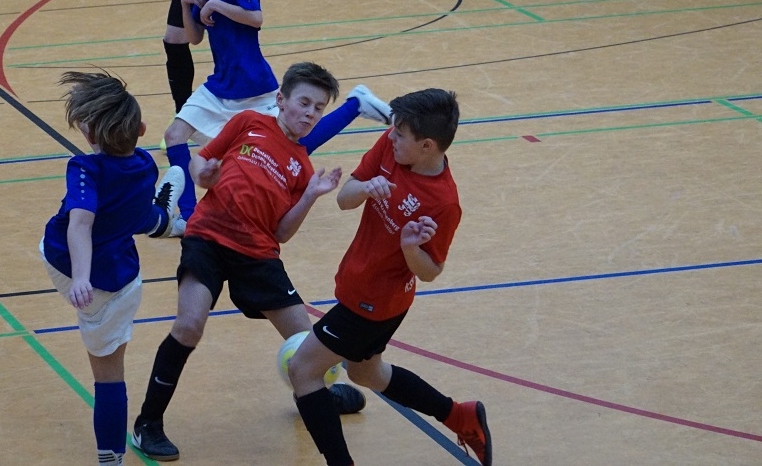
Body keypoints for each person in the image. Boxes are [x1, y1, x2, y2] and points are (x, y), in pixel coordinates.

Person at [132, 62, 368, 462]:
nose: (310, 113)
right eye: (304, 103)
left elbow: (282, 233)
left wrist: (310, 195)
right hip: (209, 238)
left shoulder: (302, 165)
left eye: (318, 108)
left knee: (310, 345)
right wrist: (203, 174)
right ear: (281, 100)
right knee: (189, 326)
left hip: (258, 256)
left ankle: (314, 393)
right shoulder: (248, 123)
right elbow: (201, 162)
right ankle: (148, 423)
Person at [286, 88, 492, 466]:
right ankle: (458, 415)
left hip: (373, 302)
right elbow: (344, 198)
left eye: (400, 134)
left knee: (303, 370)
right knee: (366, 373)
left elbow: (431, 271)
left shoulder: (444, 203)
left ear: (427, 146)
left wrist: (411, 248)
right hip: (362, 286)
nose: (391, 136)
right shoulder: (391, 146)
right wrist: (365, 189)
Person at [156, 0, 393, 236]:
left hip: (254, 85)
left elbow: (256, 18)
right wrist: (186, 4)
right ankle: (189, 215)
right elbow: (194, 38)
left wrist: (216, 4)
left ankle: (355, 104)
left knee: (297, 143)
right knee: (174, 135)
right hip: (220, 86)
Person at [38, 71, 184, 466]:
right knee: (136, 215)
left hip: (75, 270)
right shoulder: (145, 164)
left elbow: (80, 223)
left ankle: (110, 460)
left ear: (90, 135)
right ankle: (165, 219)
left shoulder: (85, 168)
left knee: (107, 379)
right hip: (123, 280)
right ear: (141, 130)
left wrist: (80, 278)